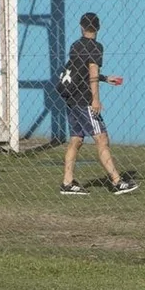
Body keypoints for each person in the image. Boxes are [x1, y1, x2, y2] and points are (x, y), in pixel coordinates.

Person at [59, 12, 137, 196]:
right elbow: (92, 71)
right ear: (98, 28)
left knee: (76, 140)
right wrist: (95, 99)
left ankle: (67, 183)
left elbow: (80, 71)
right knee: (101, 138)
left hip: (71, 99)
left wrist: (105, 78)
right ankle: (117, 181)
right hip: (85, 100)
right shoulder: (96, 47)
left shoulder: (76, 45)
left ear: (81, 27)